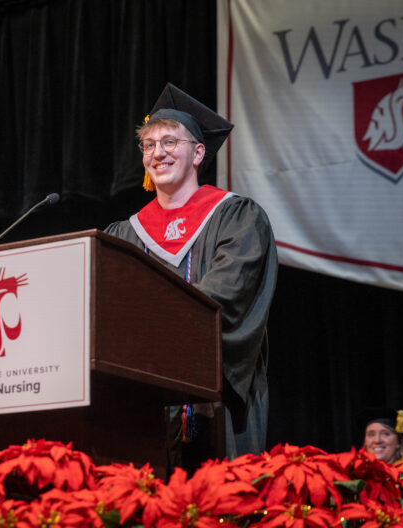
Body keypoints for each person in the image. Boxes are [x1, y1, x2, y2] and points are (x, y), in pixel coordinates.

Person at [104, 83, 278, 467]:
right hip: (143, 405)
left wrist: (149, 331)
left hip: (215, 398)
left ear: (199, 152)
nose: (157, 153)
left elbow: (226, 295)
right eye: (148, 145)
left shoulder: (237, 217)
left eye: (169, 142)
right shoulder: (124, 233)